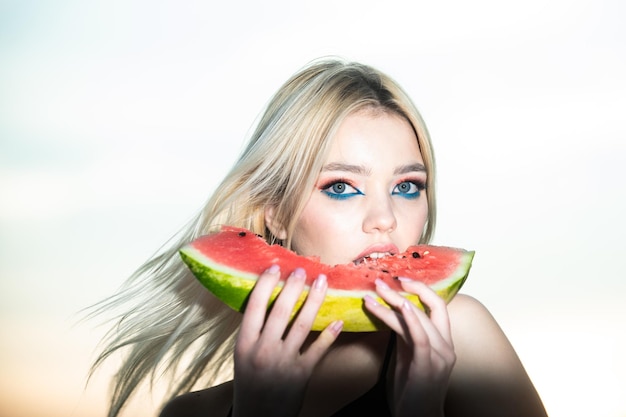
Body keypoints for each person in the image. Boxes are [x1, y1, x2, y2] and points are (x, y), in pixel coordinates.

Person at [89, 57, 548, 417]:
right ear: (277, 214)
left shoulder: (460, 335)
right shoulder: (191, 413)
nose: (385, 219)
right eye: (342, 187)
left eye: (407, 186)